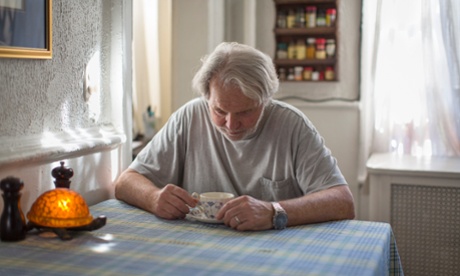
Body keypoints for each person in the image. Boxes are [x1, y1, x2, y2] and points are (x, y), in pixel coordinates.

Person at [115, 42, 355, 231]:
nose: (230, 125)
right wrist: (154, 197)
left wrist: (274, 212)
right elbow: (125, 183)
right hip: (199, 250)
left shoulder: (292, 125)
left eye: (245, 112)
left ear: (265, 100)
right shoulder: (189, 117)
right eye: (219, 111)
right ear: (207, 97)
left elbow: (342, 201)